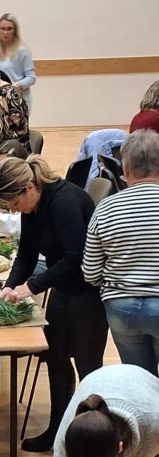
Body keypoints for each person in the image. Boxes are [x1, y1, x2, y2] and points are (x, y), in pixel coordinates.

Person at [0, 156, 108, 452]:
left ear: (29, 187)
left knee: (88, 369)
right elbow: (26, 255)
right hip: (63, 288)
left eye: (15, 204)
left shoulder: (64, 202)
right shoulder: (32, 206)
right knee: (55, 358)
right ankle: (58, 430)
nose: (14, 210)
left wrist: (31, 287)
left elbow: (75, 258)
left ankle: (94, 443)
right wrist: (9, 286)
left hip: (88, 293)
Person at [83, 130, 159, 375]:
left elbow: (90, 273)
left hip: (121, 307)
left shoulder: (106, 207)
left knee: (138, 379)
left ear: (124, 169)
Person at [0, 13, 36, 114]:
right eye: (2, 29)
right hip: (3, 101)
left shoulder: (22, 51)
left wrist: (14, 86)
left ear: (15, 31)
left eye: (9, 29)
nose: (5, 32)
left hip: (18, 101)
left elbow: (31, 78)